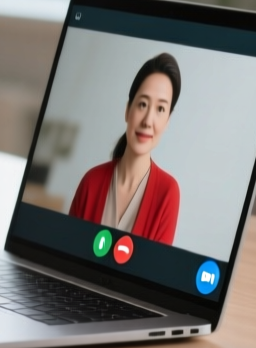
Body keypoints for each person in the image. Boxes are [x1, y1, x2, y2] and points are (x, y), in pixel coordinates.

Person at [67, 54, 182, 244]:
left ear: (168, 121)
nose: (148, 121)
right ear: (128, 110)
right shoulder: (91, 182)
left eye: (160, 109)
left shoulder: (168, 192)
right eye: (143, 104)